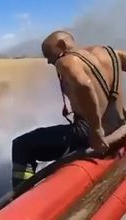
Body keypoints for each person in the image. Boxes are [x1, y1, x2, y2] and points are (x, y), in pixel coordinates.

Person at [11, 30, 126, 189]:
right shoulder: (112, 53)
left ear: (62, 45)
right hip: (119, 124)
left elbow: (83, 84)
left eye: (49, 55)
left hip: (87, 133)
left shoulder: (66, 60)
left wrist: (96, 130)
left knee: (21, 145)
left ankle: (20, 194)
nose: (49, 62)